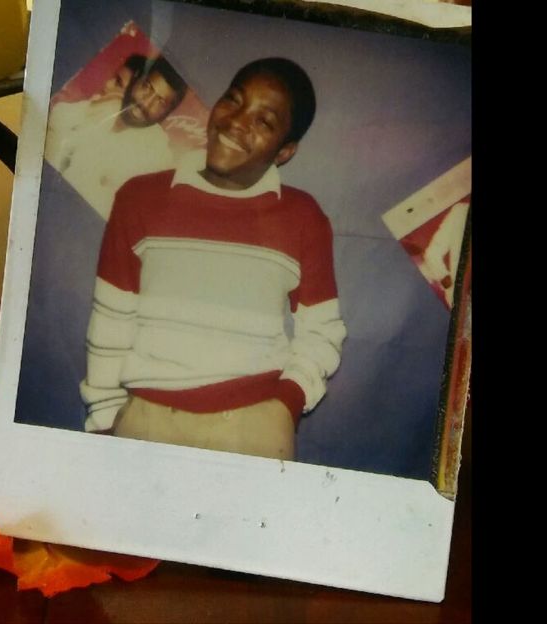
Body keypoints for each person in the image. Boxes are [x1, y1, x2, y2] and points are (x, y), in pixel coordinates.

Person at [80, 58, 346, 461]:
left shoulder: (302, 217)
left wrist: (284, 405)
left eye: (264, 122)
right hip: (147, 422)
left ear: (285, 150)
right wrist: (104, 419)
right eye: (234, 100)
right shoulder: (140, 198)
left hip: (254, 428)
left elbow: (322, 332)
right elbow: (111, 319)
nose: (238, 122)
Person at [45, 55, 188, 220]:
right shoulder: (109, 105)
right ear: (136, 78)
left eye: (160, 102)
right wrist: (91, 109)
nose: (146, 103)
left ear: (166, 115)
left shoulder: (157, 158)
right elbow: (56, 120)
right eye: (147, 87)